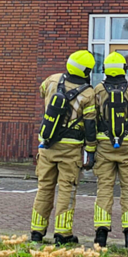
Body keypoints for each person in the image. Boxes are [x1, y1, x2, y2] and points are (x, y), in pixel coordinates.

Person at [30, 50, 97, 245]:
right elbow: (90, 125)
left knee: (44, 188)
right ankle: (62, 234)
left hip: (46, 145)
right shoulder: (88, 93)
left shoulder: (52, 80)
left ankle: (36, 232)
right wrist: (91, 151)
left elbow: (42, 91)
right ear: (86, 71)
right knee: (67, 190)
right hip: (71, 149)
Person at [92, 52, 128, 249]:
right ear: (124, 69)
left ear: (105, 69)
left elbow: (93, 118)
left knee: (104, 189)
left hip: (104, 146)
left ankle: (101, 234)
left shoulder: (98, 90)